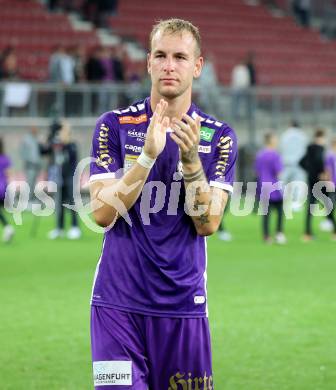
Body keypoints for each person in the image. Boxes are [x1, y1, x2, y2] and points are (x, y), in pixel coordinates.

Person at [88, 18, 237, 389]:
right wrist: (146, 158)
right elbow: (102, 214)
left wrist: (190, 161)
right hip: (117, 305)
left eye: (180, 57)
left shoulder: (218, 137)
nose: (170, 65)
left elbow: (208, 223)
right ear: (148, 62)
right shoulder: (115, 126)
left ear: (197, 66)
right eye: (161, 55)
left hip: (183, 306)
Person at [47, 121, 81, 240]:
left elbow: (72, 157)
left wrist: (64, 143)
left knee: (71, 202)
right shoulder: (57, 144)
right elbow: (46, 150)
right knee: (60, 203)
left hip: (70, 176)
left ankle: (75, 227)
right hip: (59, 177)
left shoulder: (72, 145)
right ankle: (59, 228)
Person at [255, 133, 286, 244]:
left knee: (266, 213)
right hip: (274, 187)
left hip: (263, 186)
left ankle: (266, 236)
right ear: (271, 140)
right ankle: (279, 233)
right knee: (280, 211)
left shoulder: (260, 155)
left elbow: (257, 171)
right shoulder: (275, 155)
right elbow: (279, 171)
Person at [300, 128, 327, 241]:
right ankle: (333, 229)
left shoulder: (309, 148)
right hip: (320, 181)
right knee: (329, 203)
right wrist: (321, 172)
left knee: (311, 206)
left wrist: (309, 171)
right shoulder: (320, 148)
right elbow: (319, 161)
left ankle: (307, 232)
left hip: (311, 180)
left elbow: (301, 162)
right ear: (321, 137)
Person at [279, 120, 307, 211]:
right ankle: (296, 205)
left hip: (286, 163)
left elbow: (281, 148)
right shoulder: (302, 135)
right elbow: (305, 150)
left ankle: (280, 202)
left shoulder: (285, 134)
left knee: (282, 184)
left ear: (290, 125)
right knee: (298, 185)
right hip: (299, 164)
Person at [20, 126, 42, 206]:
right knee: (29, 183)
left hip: (36, 165)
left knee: (33, 183)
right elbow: (23, 152)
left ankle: (31, 199)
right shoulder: (26, 139)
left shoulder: (36, 139)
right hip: (30, 165)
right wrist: (27, 161)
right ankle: (27, 200)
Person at [0, 137, 15, 243]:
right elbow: (9, 174)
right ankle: (7, 227)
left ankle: (7, 227)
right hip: (3, 188)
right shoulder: (5, 158)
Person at [324, 137, 336, 240]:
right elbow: (328, 170)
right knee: (330, 208)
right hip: (333, 185)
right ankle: (334, 230)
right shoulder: (330, 156)